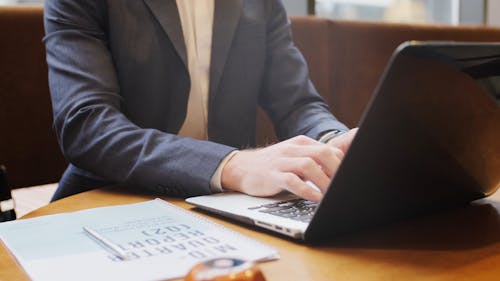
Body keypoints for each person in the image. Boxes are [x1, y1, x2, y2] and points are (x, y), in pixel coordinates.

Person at [43, 0, 357, 202]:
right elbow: (86, 125)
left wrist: (335, 142)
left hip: (234, 205)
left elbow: (298, 104)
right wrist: (232, 165)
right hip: (113, 198)